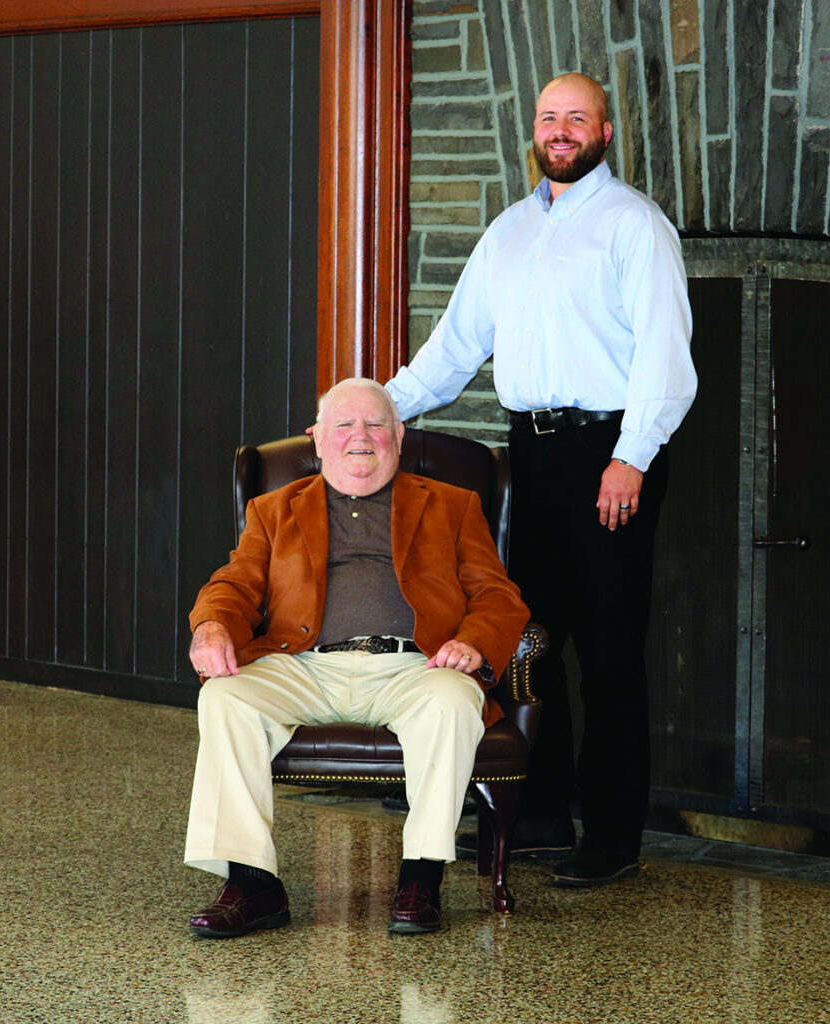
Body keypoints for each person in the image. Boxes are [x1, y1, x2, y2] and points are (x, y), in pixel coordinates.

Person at [386, 73, 696, 887]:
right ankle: (546, 812)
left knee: (609, 654)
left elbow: (667, 355)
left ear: (604, 131)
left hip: (610, 457)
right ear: (535, 129)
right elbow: (452, 352)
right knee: (529, 642)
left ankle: (614, 837)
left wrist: (631, 458)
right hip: (528, 459)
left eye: (576, 118)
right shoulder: (510, 232)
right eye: (548, 117)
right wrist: (372, 413)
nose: (560, 130)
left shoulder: (635, 226)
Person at [183, 377, 529, 936]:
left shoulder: (452, 505)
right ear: (316, 439)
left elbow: (497, 595)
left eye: (374, 424)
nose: (359, 437)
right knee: (226, 696)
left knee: (450, 700)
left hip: (415, 666)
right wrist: (212, 627)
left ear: (398, 435)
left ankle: (421, 878)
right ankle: (252, 884)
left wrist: (472, 643)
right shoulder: (274, 509)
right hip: (304, 664)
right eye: (343, 425)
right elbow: (234, 584)